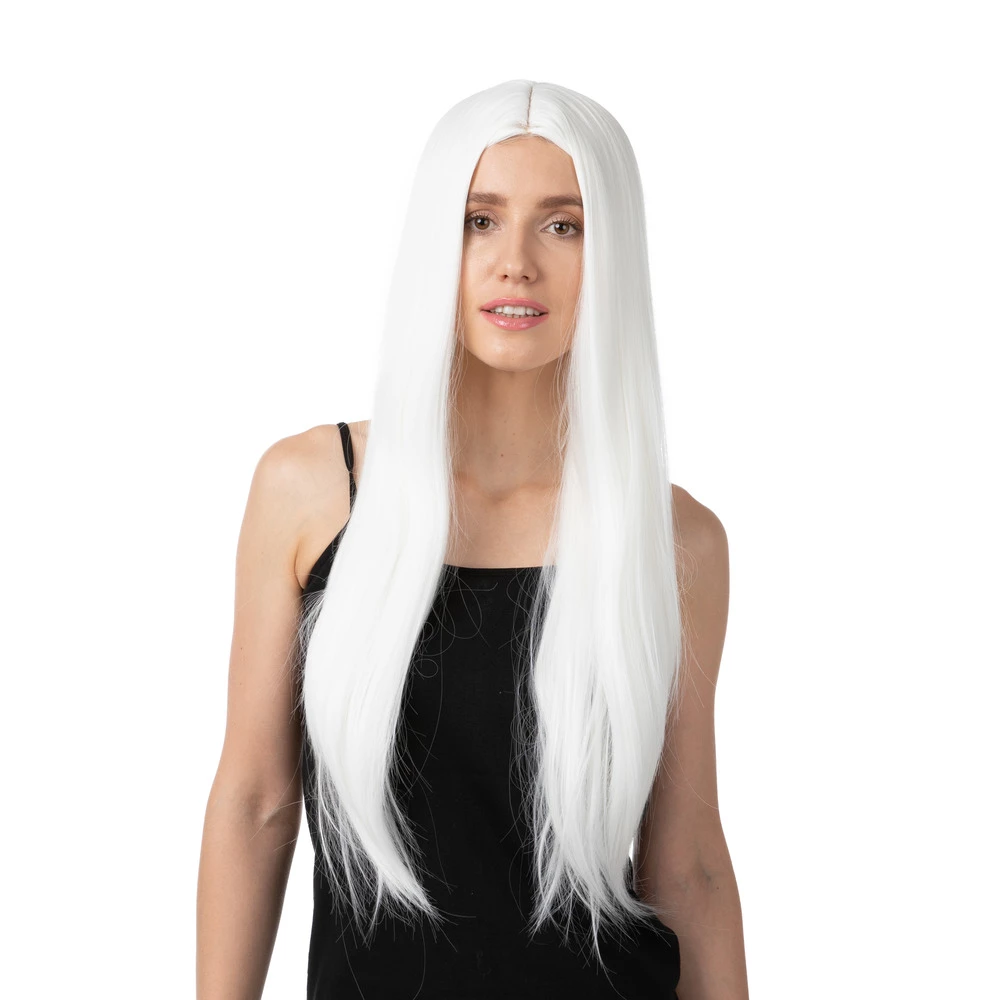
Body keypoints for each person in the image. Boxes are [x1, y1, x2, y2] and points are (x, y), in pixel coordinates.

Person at [197, 79, 749, 1000]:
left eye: (563, 226)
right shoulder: (312, 493)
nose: (516, 264)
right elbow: (256, 804)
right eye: (479, 221)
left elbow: (685, 862)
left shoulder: (675, 540)